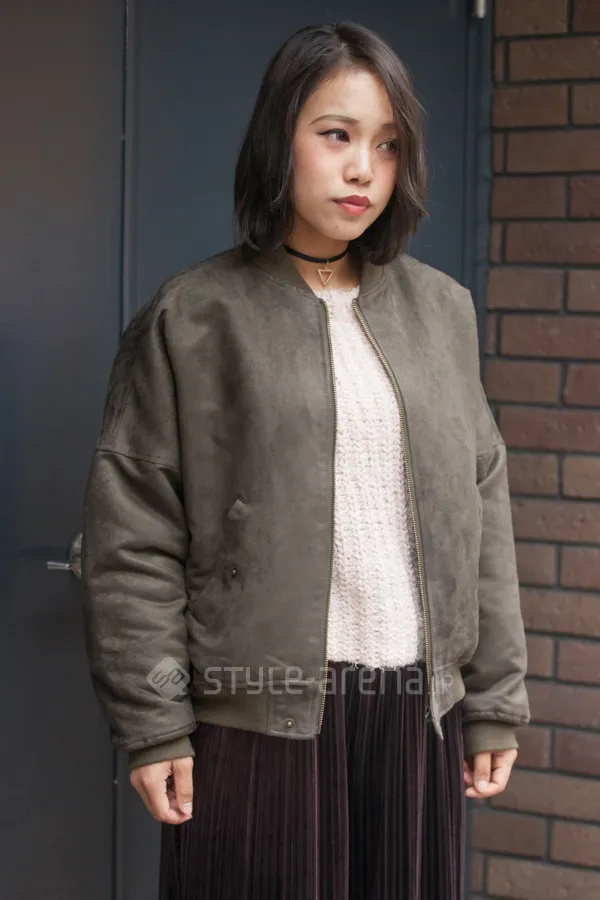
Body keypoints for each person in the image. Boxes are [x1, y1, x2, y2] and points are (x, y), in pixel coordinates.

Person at [80, 20, 530, 900]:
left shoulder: (442, 312)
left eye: (387, 145)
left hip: (415, 720)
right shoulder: (195, 315)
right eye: (336, 135)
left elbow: (481, 512)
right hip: (259, 720)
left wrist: (492, 703)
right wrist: (154, 723)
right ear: (278, 138)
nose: (364, 168)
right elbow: (133, 531)